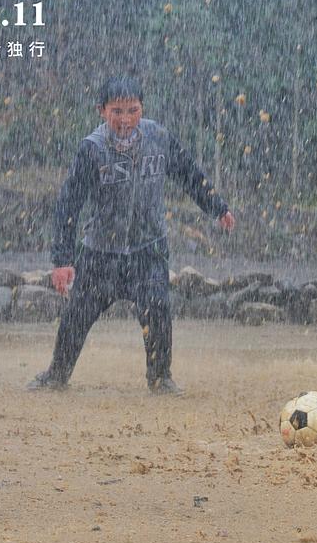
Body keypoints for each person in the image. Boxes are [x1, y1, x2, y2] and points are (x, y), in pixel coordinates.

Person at [27, 76, 235, 395]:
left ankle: (160, 378)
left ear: (142, 109)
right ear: (102, 111)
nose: (125, 120)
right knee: (77, 316)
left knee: (158, 308)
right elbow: (69, 203)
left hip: (147, 249)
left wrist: (217, 207)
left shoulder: (159, 138)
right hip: (101, 252)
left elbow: (189, 175)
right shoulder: (92, 149)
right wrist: (63, 260)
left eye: (132, 110)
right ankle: (56, 375)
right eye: (117, 111)